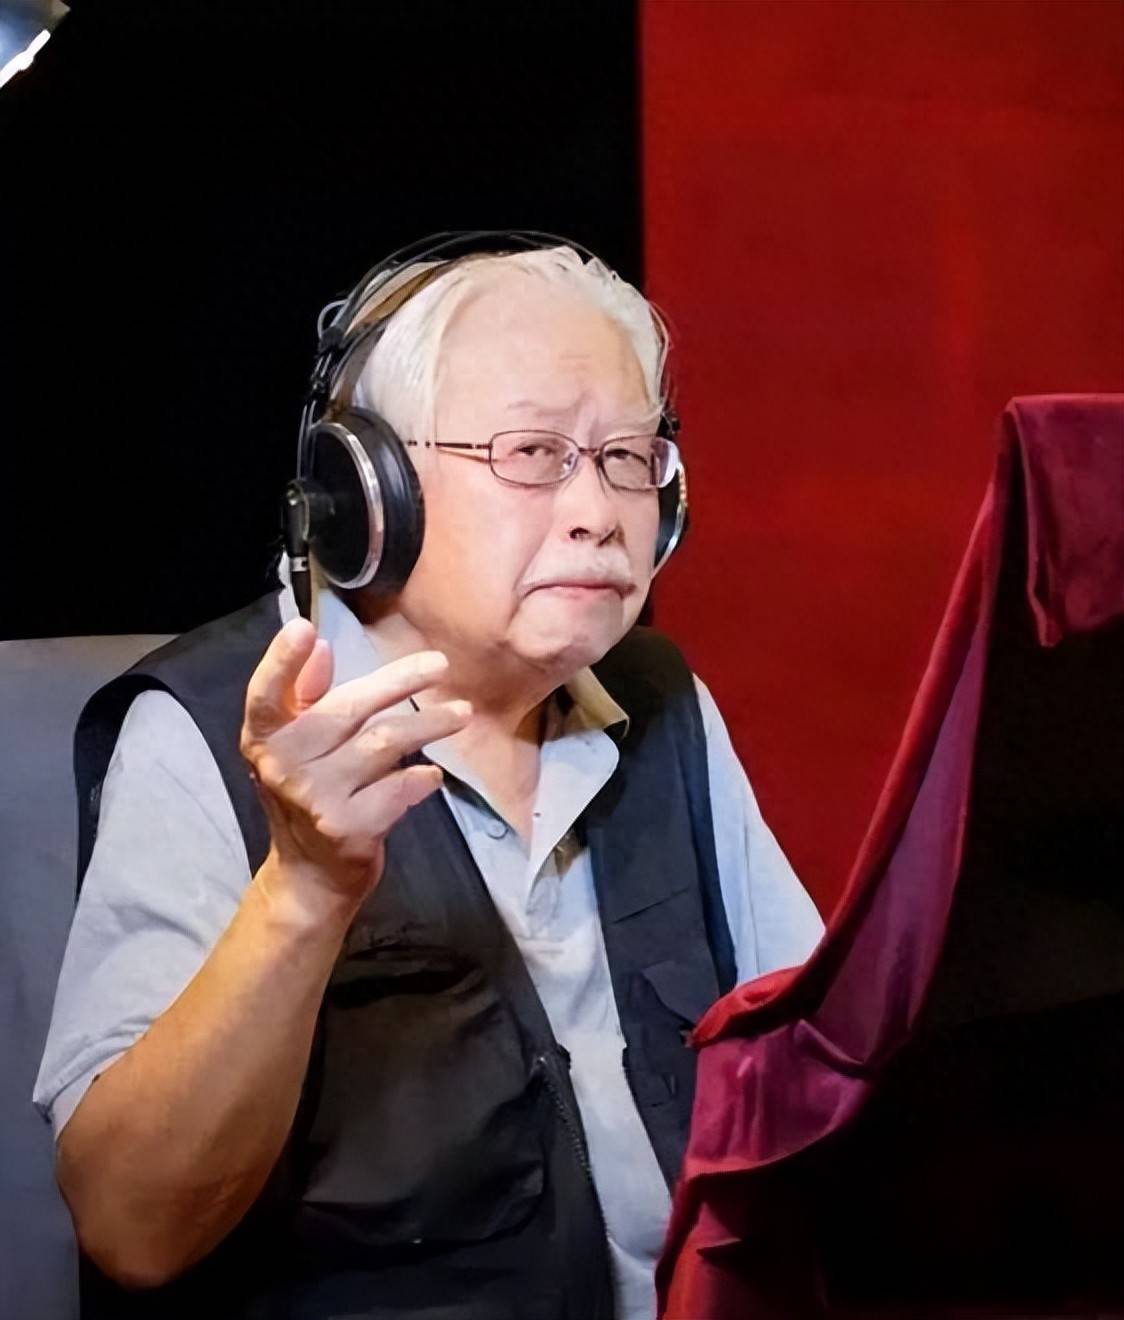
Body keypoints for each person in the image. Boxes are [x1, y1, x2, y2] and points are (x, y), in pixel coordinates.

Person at [34, 237, 823, 1320]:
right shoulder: (199, 734)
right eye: (535, 453)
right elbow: (132, 1227)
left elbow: (819, 1076)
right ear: (369, 494)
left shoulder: (659, 703)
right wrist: (303, 890)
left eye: (628, 458)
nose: (599, 512)